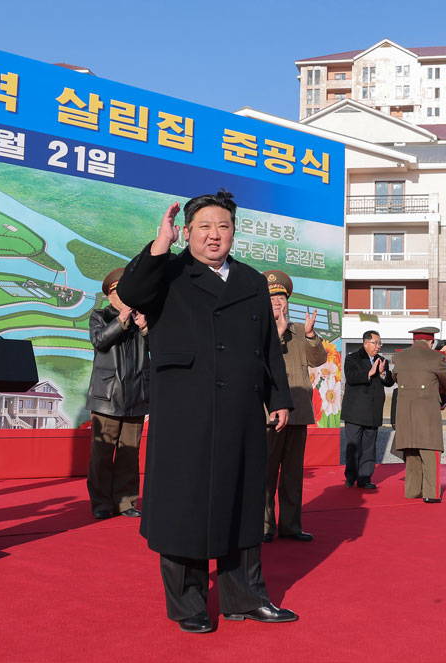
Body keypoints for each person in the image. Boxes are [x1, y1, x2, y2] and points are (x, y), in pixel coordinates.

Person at [117, 190, 297, 634]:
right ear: (188, 232)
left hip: (239, 407)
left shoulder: (253, 281)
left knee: (242, 500)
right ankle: (188, 604)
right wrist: (160, 245)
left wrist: (279, 398)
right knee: (184, 503)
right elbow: (131, 292)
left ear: (234, 232)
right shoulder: (168, 271)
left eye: (223, 226)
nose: (214, 235)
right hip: (185, 408)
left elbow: (269, 347)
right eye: (204, 227)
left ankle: (246, 597)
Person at [262, 270, 327, 544]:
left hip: (297, 411)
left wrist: (312, 336)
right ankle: (264, 525)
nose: (279, 304)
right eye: (273, 298)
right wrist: (275, 335)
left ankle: (291, 524)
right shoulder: (257, 330)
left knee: (292, 474)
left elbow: (318, 360)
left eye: (282, 298)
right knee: (265, 472)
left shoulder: (300, 331)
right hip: (268, 414)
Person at [84, 268, 150, 520]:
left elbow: (159, 347)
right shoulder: (100, 316)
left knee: (129, 452)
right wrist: (121, 320)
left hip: (136, 394)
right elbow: (99, 341)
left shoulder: (143, 318)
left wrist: (144, 328)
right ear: (110, 295)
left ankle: (126, 502)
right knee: (102, 454)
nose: (125, 297)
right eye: (119, 293)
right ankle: (101, 502)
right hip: (107, 397)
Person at [391, 326, 446, 503]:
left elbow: (395, 377)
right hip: (427, 411)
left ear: (413, 341)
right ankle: (431, 493)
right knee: (430, 451)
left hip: (405, 412)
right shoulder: (436, 357)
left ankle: (412, 490)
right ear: (431, 341)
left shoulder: (400, 356)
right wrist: (443, 393)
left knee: (411, 452)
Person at [340, 330, 393, 489]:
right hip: (355, 411)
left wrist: (383, 373)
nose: (378, 346)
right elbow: (351, 377)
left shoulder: (382, 360)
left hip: (373, 411)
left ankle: (364, 479)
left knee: (369, 448)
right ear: (365, 343)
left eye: (379, 343)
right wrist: (368, 373)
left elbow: (389, 382)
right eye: (375, 343)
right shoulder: (352, 358)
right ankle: (351, 476)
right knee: (353, 446)